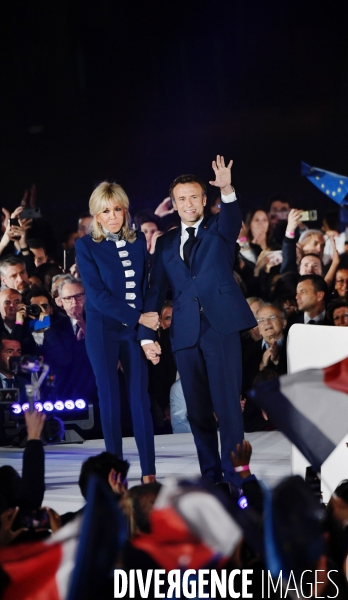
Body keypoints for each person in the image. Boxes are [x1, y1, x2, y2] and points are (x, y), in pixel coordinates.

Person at [140, 156, 256, 486]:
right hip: (185, 333)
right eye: (181, 199)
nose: (188, 203)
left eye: (194, 197)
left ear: (204, 200)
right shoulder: (163, 243)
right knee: (197, 411)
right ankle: (211, 476)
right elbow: (155, 291)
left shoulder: (219, 229)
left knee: (228, 408)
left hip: (220, 328)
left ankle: (236, 476)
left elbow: (232, 219)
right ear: (173, 204)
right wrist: (146, 334)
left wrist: (228, 188)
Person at [75, 182, 158, 483]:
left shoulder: (137, 242)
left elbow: (143, 287)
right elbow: (96, 297)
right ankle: (115, 473)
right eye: (105, 211)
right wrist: (140, 319)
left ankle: (149, 473)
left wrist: (144, 329)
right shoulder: (85, 246)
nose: (112, 216)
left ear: (125, 210)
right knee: (109, 400)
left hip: (132, 330)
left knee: (140, 400)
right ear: (96, 215)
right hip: (102, 331)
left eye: (118, 209)